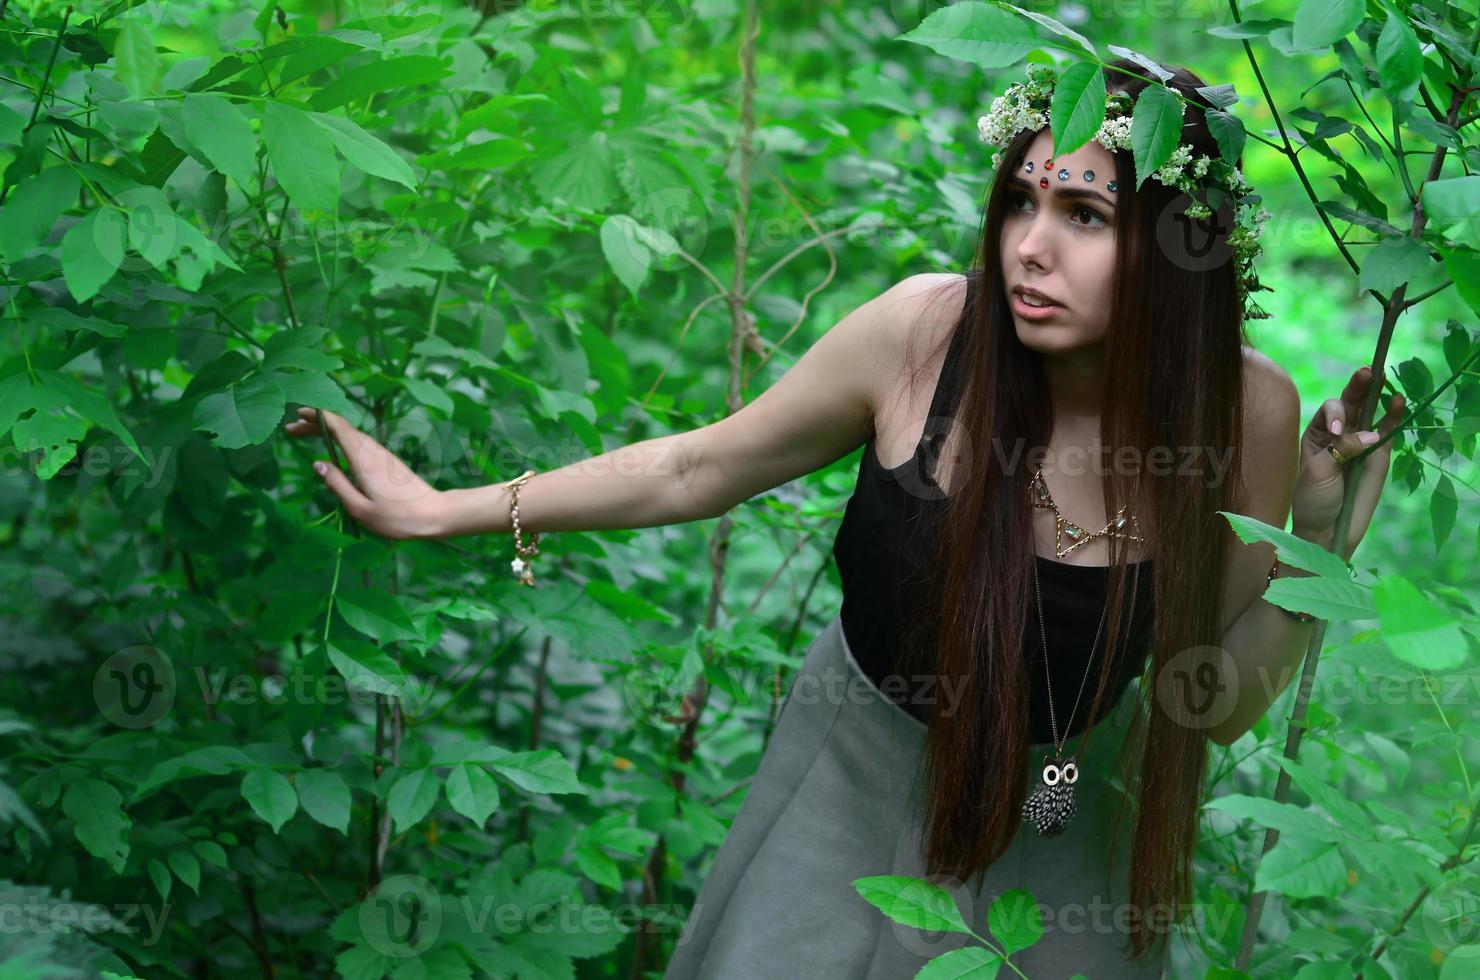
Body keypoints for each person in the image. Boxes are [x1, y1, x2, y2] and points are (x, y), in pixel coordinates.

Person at [282, 57, 1406, 978]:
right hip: (854, 784)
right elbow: (695, 467)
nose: (1031, 245)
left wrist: (1320, 543)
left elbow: (1207, 700)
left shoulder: (1243, 411)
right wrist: (445, 509)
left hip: (1066, 831)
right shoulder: (924, 332)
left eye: (1084, 214)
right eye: (1020, 198)